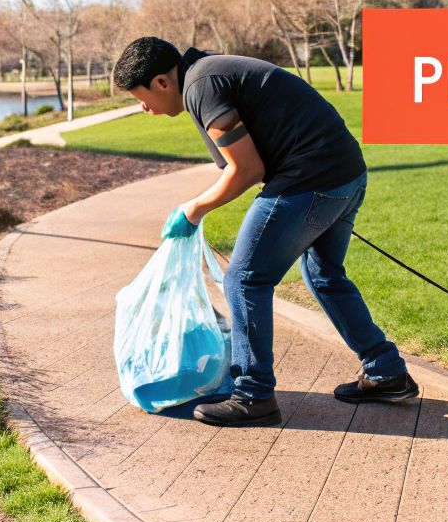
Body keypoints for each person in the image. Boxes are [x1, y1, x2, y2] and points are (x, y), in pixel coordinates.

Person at [113, 37, 418, 427]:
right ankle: (385, 370)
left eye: (140, 97)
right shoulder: (209, 72)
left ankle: (253, 394)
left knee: (244, 279)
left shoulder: (201, 85)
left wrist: (193, 210)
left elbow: (246, 169)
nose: (144, 108)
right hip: (345, 174)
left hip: (311, 179)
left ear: (160, 82)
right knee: (323, 274)